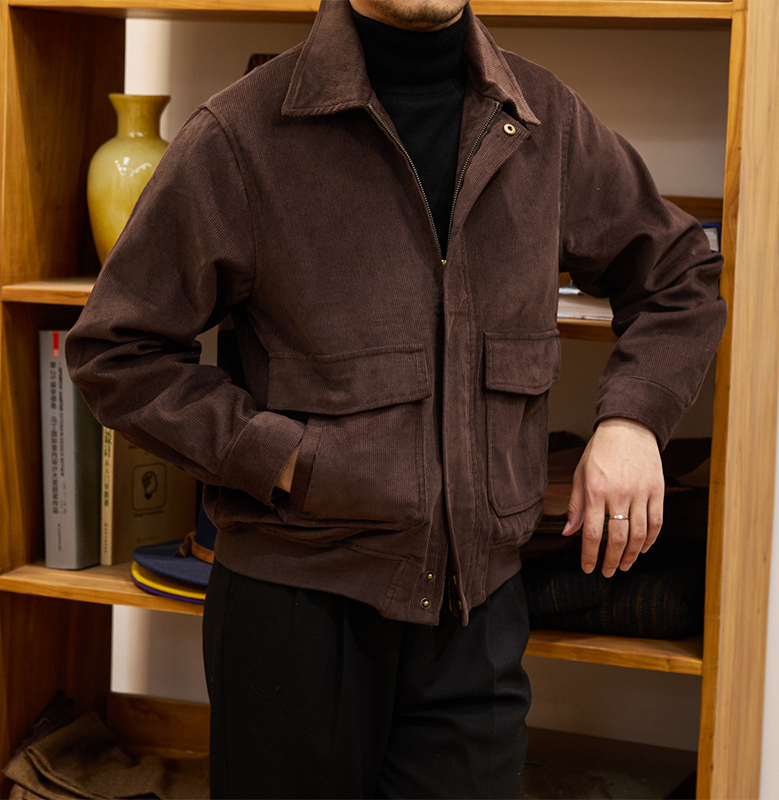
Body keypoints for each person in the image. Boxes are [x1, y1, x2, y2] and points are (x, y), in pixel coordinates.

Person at [66, 0, 726, 797]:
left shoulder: (545, 121)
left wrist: (633, 421)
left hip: (477, 616)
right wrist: (284, 459)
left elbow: (680, 276)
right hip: (294, 616)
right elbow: (117, 351)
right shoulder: (240, 133)